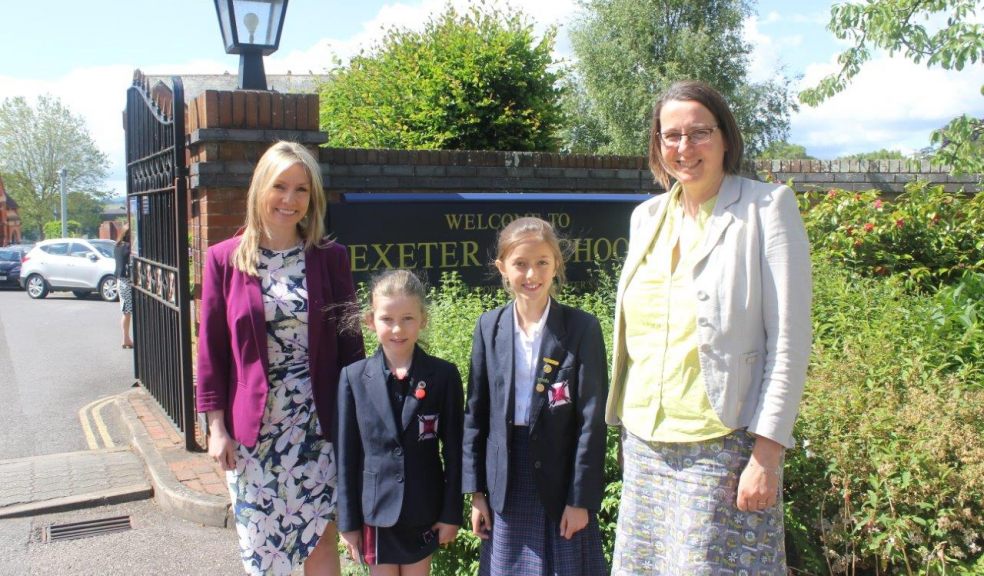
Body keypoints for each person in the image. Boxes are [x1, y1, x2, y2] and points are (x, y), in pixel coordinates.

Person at [605, 80, 812, 574]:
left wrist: (767, 454)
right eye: (670, 135)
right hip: (645, 441)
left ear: (725, 138)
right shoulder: (646, 217)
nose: (684, 147)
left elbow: (788, 341)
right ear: (657, 144)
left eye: (699, 132)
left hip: (723, 446)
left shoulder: (768, 208)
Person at [196, 141, 365, 576]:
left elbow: (351, 350)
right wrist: (215, 428)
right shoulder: (224, 260)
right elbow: (211, 351)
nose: (290, 200)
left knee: (320, 536)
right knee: (262, 545)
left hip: (318, 424)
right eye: (280, 187)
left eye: (302, 190)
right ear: (260, 189)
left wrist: (357, 427)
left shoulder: (331, 259)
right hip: (255, 430)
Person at [463, 217, 608, 576]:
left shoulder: (581, 328)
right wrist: (477, 492)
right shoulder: (489, 327)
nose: (532, 274)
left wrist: (580, 500)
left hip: (562, 479)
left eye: (542, 262)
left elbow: (592, 421)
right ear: (502, 268)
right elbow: (475, 413)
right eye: (520, 264)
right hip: (507, 479)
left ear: (556, 264)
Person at [336, 269, 463, 575]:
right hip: (376, 512)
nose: (397, 328)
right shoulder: (353, 378)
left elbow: (457, 451)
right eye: (387, 319)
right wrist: (348, 522)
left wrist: (451, 514)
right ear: (370, 321)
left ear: (423, 320)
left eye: (407, 318)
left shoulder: (443, 376)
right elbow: (346, 457)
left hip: (424, 511)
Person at [114, 225, 134, 349]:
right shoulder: (127, 247)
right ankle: (125, 338)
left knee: (126, 311)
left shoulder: (117, 246)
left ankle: (126, 338)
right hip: (126, 281)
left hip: (120, 280)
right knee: (127, 312)